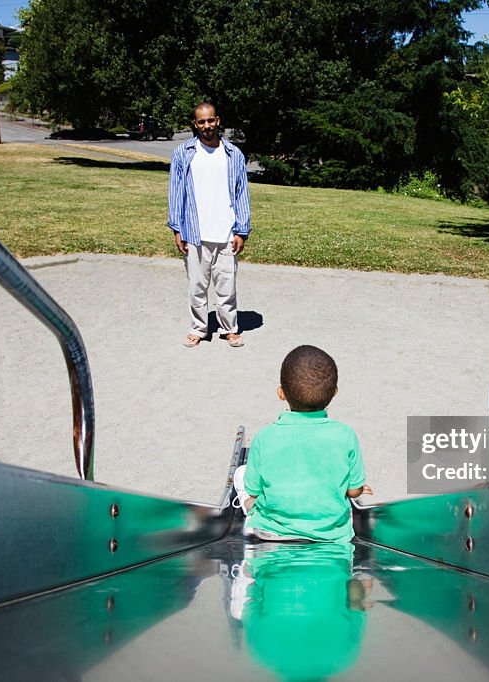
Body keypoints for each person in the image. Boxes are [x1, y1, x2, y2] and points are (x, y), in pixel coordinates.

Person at [233, 345, 373, 543]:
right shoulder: (345, 435)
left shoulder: (265, 437)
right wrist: (358, 488)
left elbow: (254, 490)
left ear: (281, 393)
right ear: (334, 392)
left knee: (242, 476)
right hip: (331, 534)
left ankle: (252, 518)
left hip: (272, 531)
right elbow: (352, 491)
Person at [168, 101, 251, 348]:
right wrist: (177, 228)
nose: (206, 125)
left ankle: (229, 328)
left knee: (227, 286)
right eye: (201, 121)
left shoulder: (234, 155)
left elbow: (241, 194)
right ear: (195, 124)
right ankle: (198, 328)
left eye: (210, 120)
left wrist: (241, 230)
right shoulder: (183, 153)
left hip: (226, 232)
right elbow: (176, 193)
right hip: (195, 232)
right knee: (197, 286)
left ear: (218, 121)